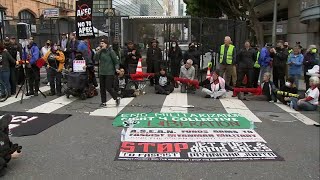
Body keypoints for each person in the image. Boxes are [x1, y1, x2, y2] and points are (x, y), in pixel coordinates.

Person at [94, 39, 121, 107]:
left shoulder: (111, 51)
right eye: (100, 43)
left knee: (108, 87)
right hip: (102, 72)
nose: (101, 44)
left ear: (106, 44)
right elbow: (95, 59)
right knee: (102, 88)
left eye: (103, 43)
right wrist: (98, 51)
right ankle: (103, 102)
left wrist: (117, 68)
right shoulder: (100, 52)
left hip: (109, 72)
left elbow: (116, 61)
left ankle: (116, 97)